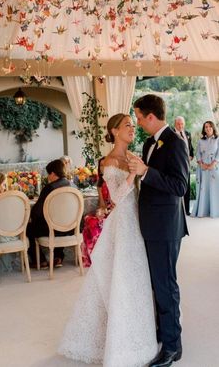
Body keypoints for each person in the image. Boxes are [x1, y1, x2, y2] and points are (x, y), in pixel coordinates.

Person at [58, 113, 158, 366]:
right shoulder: (110, 160)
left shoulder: (135, 157)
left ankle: (140, 334)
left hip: (138, 220)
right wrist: (132, 175)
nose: (132, 129)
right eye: (127, 125)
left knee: (137, 278)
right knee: (120, 278)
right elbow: (116, 197)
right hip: (122, 223)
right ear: (114, 131)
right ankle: (118, 344)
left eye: (133, 126)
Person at [128, 94, 189, 367]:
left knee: (166, 285)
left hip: (165, 226)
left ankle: (173, 348)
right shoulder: (148, 142)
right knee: (156, 284)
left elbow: (180, 187)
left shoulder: (176, 143)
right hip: (152, 223)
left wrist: (146, 171)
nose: (138, 123)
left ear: (151, 116)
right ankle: (164, 333)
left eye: (140, 118)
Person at [27, 159, 72, 269]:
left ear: (52, 173)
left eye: (48, 174)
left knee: (27, 228)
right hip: (70, 227)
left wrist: (31, 217)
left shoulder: (50, 188)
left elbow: (37, 211)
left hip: (52, 229)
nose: (48, 177)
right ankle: (58, 257)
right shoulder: (72, 186)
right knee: (58, 220)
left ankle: (40, 261)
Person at [81, 156, 113, 267]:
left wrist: (108, 211)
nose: (103, 167)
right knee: (89, 219)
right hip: (106, 211)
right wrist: (101, 211)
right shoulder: (100, 184)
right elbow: (102, 204)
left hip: (115, 211)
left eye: (105, 165)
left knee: (94, 223)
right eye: (101, 165)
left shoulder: (113, 180)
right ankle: (94, 255)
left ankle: (99, 254)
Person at [191, 120, 219, 218]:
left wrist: (214, 163)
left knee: (214, 188)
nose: (208, 128)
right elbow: (197, 153)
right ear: (204, 129)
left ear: (213, 128)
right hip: (202, 167)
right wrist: (200, 163)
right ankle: (202, 211)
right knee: (203, 188)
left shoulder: (218, 139)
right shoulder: (200, 141)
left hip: (214, 167)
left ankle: (215, 211)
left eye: (209, 126)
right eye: (206, 127)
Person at [174, 116, 194, 215]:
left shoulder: (187, 134)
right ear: (175, 124)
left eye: (182, 124)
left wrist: (191, 156)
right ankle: (177, 210)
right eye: (178, 124)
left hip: (186, 166)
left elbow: (191, 149)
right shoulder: (171, 135)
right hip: (176, 166)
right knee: (176, 186)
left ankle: (186, 210)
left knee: (187, 187)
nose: (180, 126)